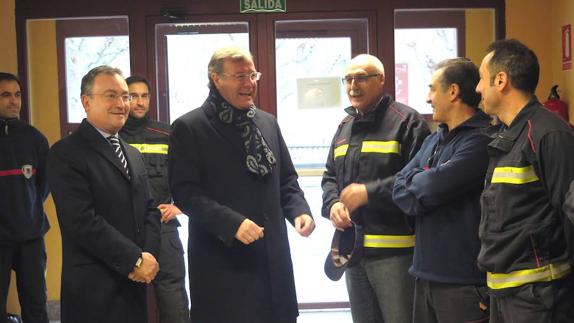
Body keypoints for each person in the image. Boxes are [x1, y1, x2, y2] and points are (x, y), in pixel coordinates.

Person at [168, 46, 315, 323]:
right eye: (239, 76)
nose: (249, 84)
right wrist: (232, 223)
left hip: (273, 264)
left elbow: (286, 179)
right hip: (223, 265)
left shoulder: (267, 122)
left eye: (252, 75)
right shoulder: (190, 127)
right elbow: (186, 193)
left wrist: (299, 211)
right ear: (216, 78)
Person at [47, 66, 161, 323]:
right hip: (94, 289)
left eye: (125, 96)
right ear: (86, 102)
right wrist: (134, 259)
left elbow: (150, 209)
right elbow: (82, 221)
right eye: (111, 95)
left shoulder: (132, 153)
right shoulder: (65, 153)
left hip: (135, 284)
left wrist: (148, 258)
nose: (122, 104)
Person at [321, 54, 429, 323]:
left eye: (361, 78)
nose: (352, 86)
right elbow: (329, 177)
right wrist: (333, 203)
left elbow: (418, 181)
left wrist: (368, 192)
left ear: (381, 80)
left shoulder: (407, 122)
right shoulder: (344, 127)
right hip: (353, 253)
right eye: (347, 79)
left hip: (396, 255)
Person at [476, 39, 574, 323]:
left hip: (539, 298)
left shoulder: (548, 134)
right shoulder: (508, 135)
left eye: (482, 79)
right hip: (504, 293)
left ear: (501, 80)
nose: (478, 88)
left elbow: (569, 215)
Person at [393, 58, 491, 323]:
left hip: (464, 282)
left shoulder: (482, 139)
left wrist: (423, 184)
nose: (427, 98)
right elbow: (399, 187)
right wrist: (424, 185)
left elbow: (433, 186)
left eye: (432, 89)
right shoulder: (434, 139)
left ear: (453, 91)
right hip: (425, 275)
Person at [120, 75, 189, 323]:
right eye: (132, 96)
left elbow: (191, 175)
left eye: (144, 96)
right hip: (124, 230)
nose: (139, 102)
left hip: (163, 227)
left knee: (173, 300)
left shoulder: (166, 133)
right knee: (124, 300)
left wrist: (181, 205)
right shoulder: (112, 135)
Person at [0, 72, 50, 323]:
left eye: (17, 95)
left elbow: (43, 186)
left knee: (36, 305)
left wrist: (27, 207)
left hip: (30, 235)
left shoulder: (34, 138)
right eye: (6, 95)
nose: (14, 101)